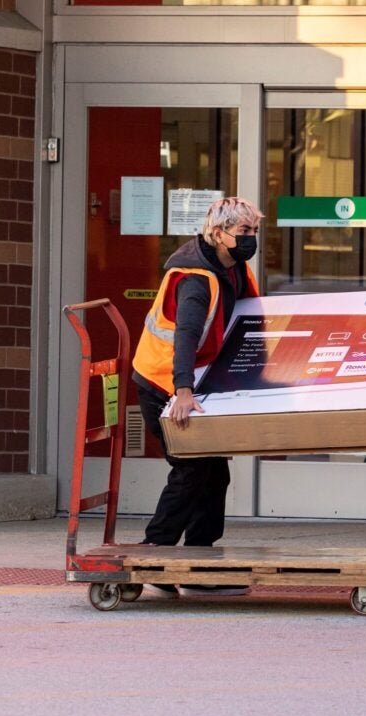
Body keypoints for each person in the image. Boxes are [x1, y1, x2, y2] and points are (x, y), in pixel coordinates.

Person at [131, 197, 263, 599]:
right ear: (218, 234)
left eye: (254, 232)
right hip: (163, 384)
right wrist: (183, 391)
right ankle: (155, 553)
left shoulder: (233, 268)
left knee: (213, 471)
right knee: (192, 469)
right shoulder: (194, 279)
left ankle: (199, 560)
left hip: (194, 383)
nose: (250, 239)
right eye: (243, 232)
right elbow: (186, 336)